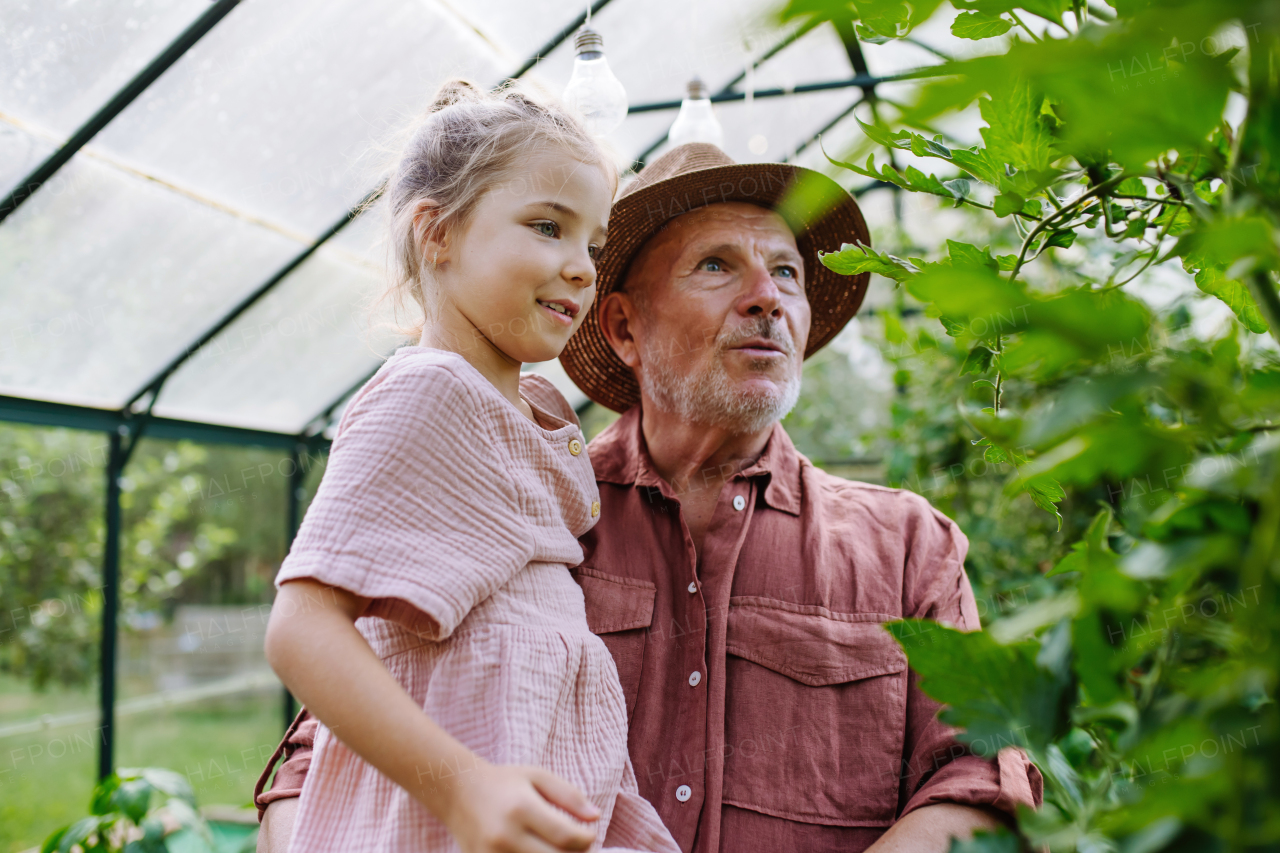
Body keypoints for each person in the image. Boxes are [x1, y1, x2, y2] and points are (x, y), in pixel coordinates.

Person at [257, 142, 1044, 853]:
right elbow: (311, 765)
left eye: (789, 272)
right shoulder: (521, 499)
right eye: (716, 266)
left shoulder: (910, 547)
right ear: (624, 327)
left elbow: (981, 783)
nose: (767, 296)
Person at [260, 78, 681, 853]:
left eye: (592, 243)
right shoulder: (430, 393)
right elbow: (301, 627)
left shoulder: (527, 421)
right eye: (548, 226)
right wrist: (460, 785)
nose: (585, 267)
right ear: (438, 233)